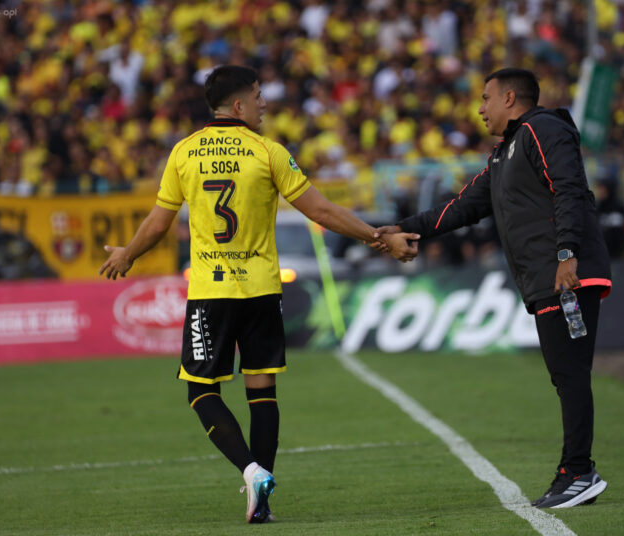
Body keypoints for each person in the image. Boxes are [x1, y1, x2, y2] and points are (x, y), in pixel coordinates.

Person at [99, 65, 416, 524]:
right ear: (239, 105)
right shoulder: (267, 153)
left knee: (200, 389)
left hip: (211, 290)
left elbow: (159, 221)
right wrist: (376, 236)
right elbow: (321, 210)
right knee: (262, 389)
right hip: (262, 289)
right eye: (259, 95)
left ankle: (250, 472)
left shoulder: (184, 153)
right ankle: (260, 493)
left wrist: (128, 253)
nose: (265, 103)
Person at [376, 68, 612, 508]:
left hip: (565, 272)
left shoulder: (543, 129)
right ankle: (577, 469)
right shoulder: (506, 152)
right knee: (567, 375)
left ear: (509, 97)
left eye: (485, 99)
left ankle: (578, 470)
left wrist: (566, 254)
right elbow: (462, 206)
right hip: (547, 276)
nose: (480, 109)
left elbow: (570, 188)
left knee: (570, 374)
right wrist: (406, 229)